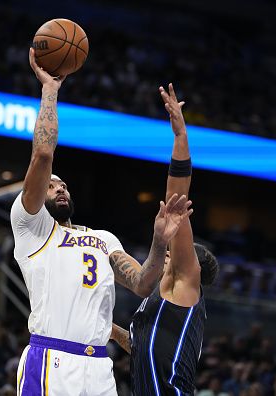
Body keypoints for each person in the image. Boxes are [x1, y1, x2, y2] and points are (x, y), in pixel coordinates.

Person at [10, 49, 194, 396]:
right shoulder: (31, 228)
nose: (58, 187)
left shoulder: (104, 238)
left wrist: (158, 240)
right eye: (50, 185)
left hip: (98, 369)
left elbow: (141, 283)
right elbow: (43, 155)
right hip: (52, 359)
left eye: (63, 184)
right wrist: (50, 89)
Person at [110, 84, 219, 395]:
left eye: (176, 253)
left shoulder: (185, 283)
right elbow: (140, 346)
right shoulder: (163, 301)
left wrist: (180, 138)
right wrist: (105, 328)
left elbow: (176, 198)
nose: (169, 254)